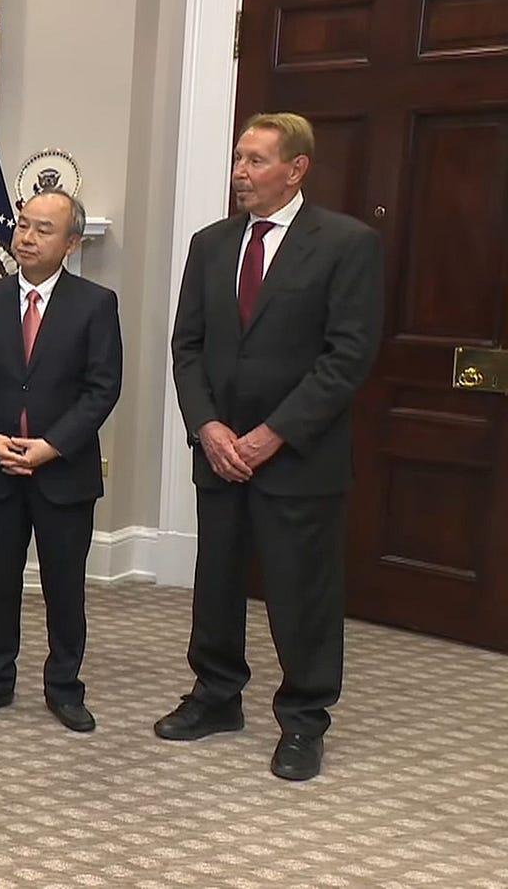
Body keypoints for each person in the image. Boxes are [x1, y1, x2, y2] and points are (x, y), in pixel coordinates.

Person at [156, 112, 384, 781]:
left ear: (297, 168)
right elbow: (187, 346)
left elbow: (347, 358)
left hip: (298, 457)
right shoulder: (211, 243)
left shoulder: (347, 243)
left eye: (256, 161)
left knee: (301, 592)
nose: (240, 173)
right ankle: (216, 695)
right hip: (220, 451)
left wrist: (269, 434)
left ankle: (305, 719)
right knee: (217, 585)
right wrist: (210, 428)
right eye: (237, 159)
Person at [0, 189, 122, 732]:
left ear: (71, 243)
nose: (26, 236)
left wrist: (52, 446)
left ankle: (65, 686)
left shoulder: (95, 304)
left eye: (43, 229)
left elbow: (102, 389)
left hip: (63, 472)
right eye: (23, 225)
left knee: (63, 586)